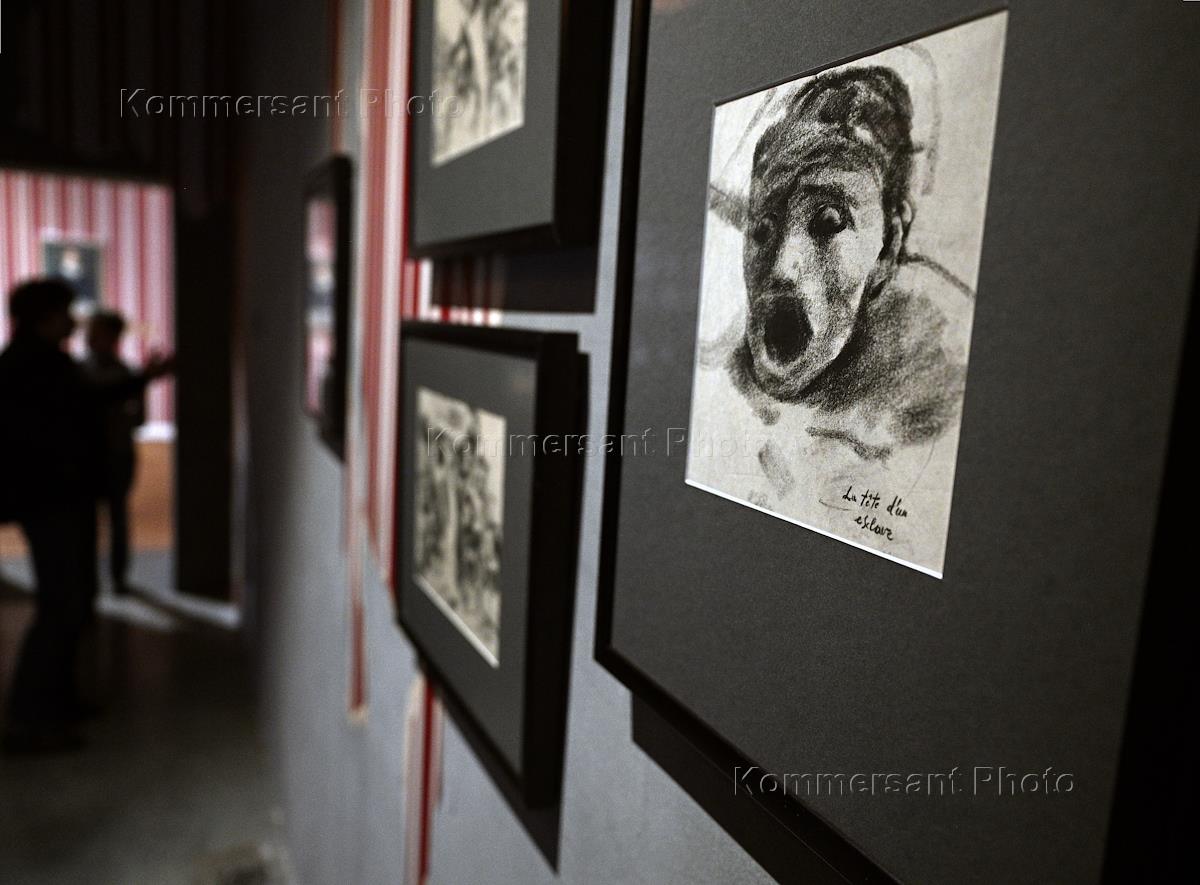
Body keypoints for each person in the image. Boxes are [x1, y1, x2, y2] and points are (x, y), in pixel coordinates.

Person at [0, 280, 171, 753]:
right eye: (64, 312)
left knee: (69, 604)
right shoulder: (32, 366)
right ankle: (30, 719)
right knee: (61, 606)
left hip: (56, 497)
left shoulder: (36, 362)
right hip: (50, 499)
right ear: (44, 317)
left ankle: (55, 704)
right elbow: (80, 407)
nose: (72, 321)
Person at [81, 310, 144, 596]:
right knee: (92, 522)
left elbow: (139, 417)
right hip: (93, 455)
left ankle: (115, 577)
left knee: (115, 519)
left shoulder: (121, 372)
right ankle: (93, 579)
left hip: (115, 453)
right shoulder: (119, 373)